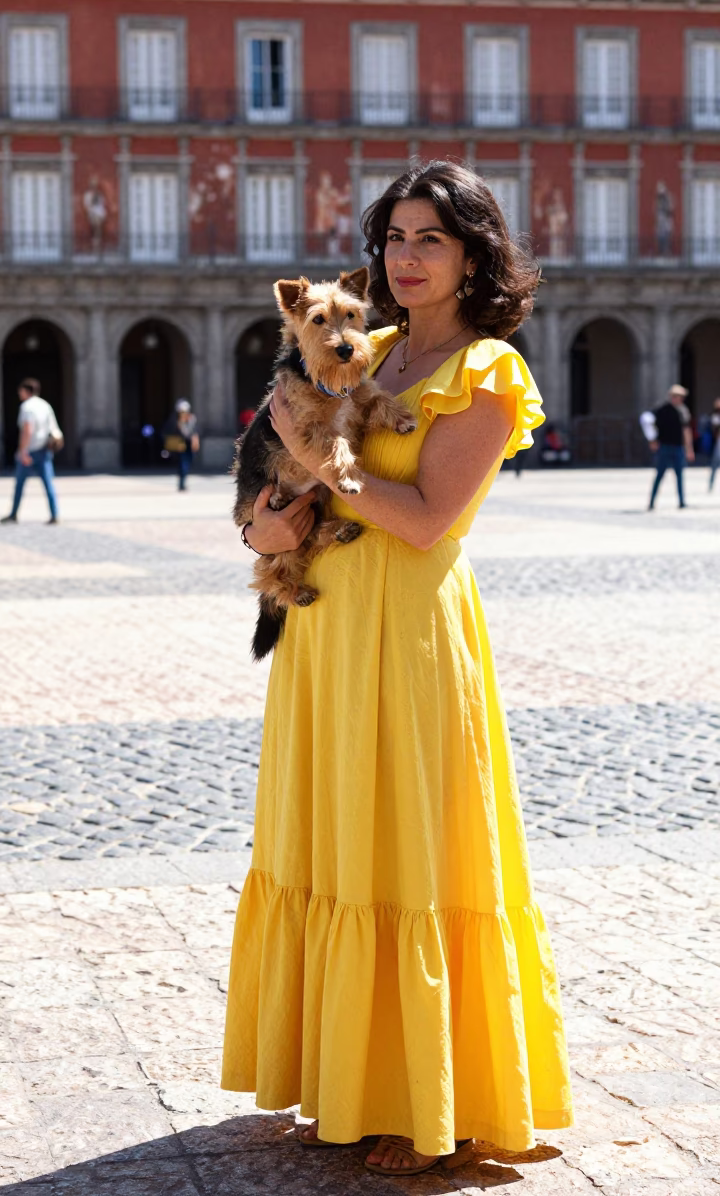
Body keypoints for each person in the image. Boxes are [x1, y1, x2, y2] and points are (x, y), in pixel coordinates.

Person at [221, 161, 573, 1174]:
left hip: (413, 635)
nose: (406, 258)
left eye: (431, 239)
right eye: (394, 238)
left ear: (474, 255)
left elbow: (425, 521)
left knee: (413, 844)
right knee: (338, 840)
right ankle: (346, 1074)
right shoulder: (352, 349)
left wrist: (323, 462)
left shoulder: (489, 373)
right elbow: (268, 487)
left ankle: (431, 1097)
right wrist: (266, 516)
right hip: (325, 627)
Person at [1, 378, 60, 525]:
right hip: (44, 449)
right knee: (48, 483)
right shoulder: (45, 405)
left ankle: (14, 514)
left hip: (30, 450)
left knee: (20, 484)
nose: (19, 394)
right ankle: (55, 514)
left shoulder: (27, 407)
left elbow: (27, 430)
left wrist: (23, 451)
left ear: (26, 391)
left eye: (20, 391)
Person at [648, 384, 694, 511]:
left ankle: (682, 502)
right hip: (664, 447)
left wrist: (689, 449)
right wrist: (652, 440)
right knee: (659, 475)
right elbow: (649, 423)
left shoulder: (683, 411)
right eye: (676, 396)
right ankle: (651, 502)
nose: (678, 399)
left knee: (679, 475)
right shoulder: (661, 410)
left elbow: (686, 431)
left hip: (678, 447)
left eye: (681, 397)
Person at [163, 399, 199, 491]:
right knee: (183, 464)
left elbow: (194, 431)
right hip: (180, 444)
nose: (184, 413)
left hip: (189, 443)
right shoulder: (175, 420)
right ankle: (182, 484)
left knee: (188, 462)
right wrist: (180, 423)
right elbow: (172, 431)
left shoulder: (192, 418)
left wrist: (195, 441)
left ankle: (182, 482)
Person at [709, 398, 720, 492]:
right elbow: (714, 429)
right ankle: (711, 484)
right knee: (715, 464)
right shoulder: (715, 414)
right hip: (719, 442)